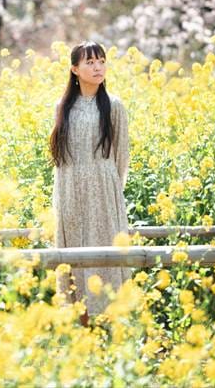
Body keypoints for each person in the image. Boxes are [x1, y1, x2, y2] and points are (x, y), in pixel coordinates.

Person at [49, 41, 131, 325]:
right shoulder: (63, 107)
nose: (98, 67)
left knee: (105, 255)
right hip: (70, 190)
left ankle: (111, 325)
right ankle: (81, 327)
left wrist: (109, 190)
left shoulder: (114, 106)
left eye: (101, 61)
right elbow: (60, 158)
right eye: (90, 62)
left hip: (104, 191)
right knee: (75, 261)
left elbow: (122, 156)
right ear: (75, 69)